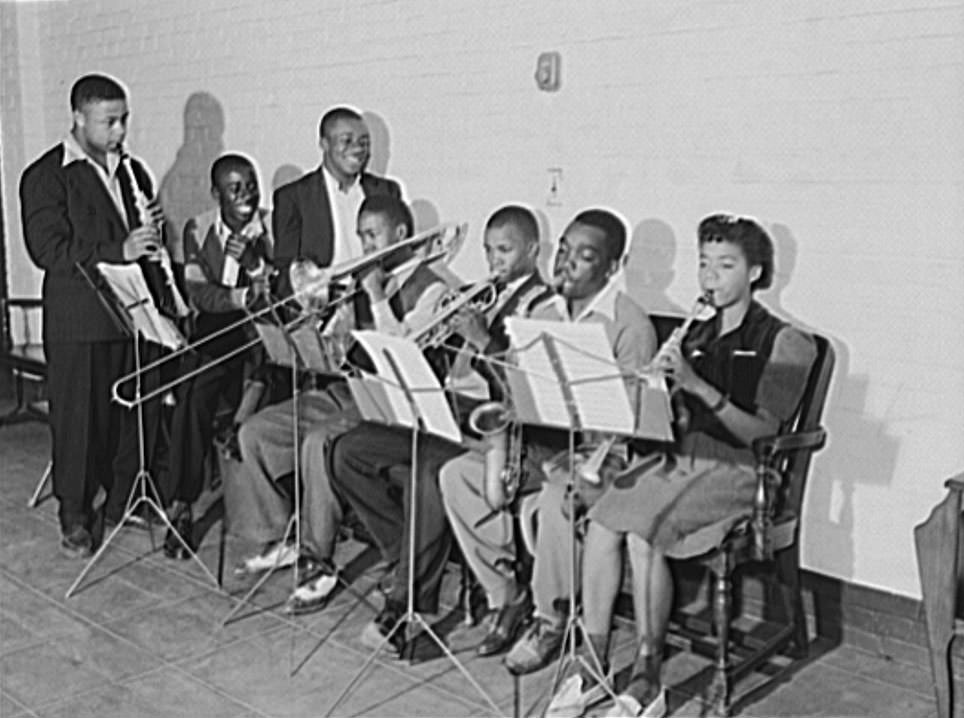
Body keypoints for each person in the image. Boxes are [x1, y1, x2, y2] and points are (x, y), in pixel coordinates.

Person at [544, 214, 817, 718]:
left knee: (643, 532)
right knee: (603, 519)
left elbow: (764, 434)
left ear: (755, 273)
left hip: (741, 471)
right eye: (705, 264)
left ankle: (648, 677)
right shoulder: (696, 333)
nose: (711, 277)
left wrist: (696, 386)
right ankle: (593, 664)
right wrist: (653, 393)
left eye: (726, 265)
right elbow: (670, 418)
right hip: (681, 460)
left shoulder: (785, 341)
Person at [327, 204, 554, 656]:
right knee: (349, 450)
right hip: (444, 408)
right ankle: (402, 555)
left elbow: (530, 389)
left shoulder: (542, 306)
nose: (494, 261)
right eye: (488, 251)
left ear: (533, 250)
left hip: (494, 426)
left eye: (505, 251)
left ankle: (406, 606)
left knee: (427, 471)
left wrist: (482, 339)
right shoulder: (482, 294)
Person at [439, 208, 658, 661]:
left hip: (603, 454)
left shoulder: (630, 325)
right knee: (457, 475)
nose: (566, 263)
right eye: (564, 250)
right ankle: (505, 596)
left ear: (612, 267)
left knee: (560, 494)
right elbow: (517, 386)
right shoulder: (544, 311)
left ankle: (551, 619)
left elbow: (631, 420)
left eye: (585, 256)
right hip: (545, 443)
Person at [224, 195, 447, 593]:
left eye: (373, 235)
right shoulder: (361, 281)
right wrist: (319, 325)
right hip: (348, 387)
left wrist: (377, 297)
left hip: (391, 403)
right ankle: (280, 535)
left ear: (400, 234)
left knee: (317, 441)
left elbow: (404, 350)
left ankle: (318, 558)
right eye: (361, 236)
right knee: (255, 432)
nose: (366, 246)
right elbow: (339, 348)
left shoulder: (432, 287)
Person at [20, 74, 171, 558]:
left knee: (130, 415)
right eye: (109, 121)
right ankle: (75, 514)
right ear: (78, 118)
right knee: (79, 421)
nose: (120, 131)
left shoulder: (133, 171)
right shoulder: (46, 175)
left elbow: (139, 242)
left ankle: (124, 499)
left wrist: (153, 236)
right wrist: (118, 248)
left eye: (124, 119)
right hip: (79, 320)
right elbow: (48, 250)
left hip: (131, 315)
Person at [161, 153, 273, 559]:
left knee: (264, 381)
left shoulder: (271, 227)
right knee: (192, 395)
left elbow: (278, 296)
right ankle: (182, 505)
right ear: (216, 193)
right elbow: (199, 293)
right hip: (217, 327)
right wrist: (243, 296)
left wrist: (255, 265)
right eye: (234, 188)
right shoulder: (198, 228)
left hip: (262, 332)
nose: (246, 195)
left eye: (251, 185)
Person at [272, 106, 402, 297]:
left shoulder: (387, 191)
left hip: (380, 297)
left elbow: (400, 255)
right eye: (346, 141)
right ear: (324, 144)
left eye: (364, 142)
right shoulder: (293, 198)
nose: (357, 149)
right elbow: (287, 273)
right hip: (324, 304)